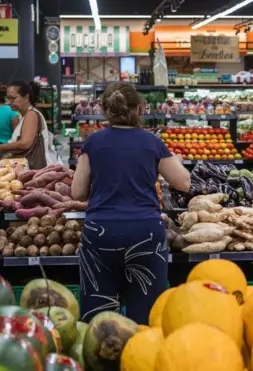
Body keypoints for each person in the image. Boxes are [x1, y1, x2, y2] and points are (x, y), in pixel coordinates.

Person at [71, 82, 191, 325]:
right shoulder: (152, 142)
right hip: (144, 233)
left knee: (99, 319)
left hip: (101, 234)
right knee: (146, 317)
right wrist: (174, 159)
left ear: (105, 110)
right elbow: (183, 183)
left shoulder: (93, 143)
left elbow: (77, 192)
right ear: (139, 109)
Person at [0, 81, 48, 169]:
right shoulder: (23, 115)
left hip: (33, 170)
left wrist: (2, 147)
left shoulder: (31, 114)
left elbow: (25, 143)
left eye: (13, 98)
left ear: (26, 97)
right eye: (8, 98)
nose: (9, 102)